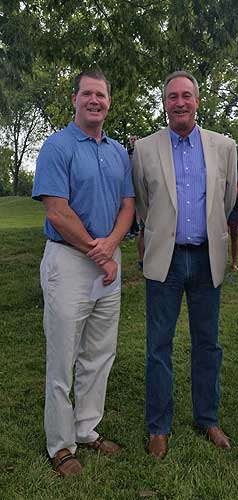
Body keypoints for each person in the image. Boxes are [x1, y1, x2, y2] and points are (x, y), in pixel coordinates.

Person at [32, 70, 135, 477]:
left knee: (99, 352)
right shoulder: (56, 147)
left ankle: (87, 429)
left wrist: (110, 247)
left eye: (102, 95)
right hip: (69, 262)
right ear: (75, 99)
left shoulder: (118, 152)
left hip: (107, 261)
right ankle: (60, 445)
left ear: (109, 102)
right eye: (88, 93)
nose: (95, 100)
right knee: (63, 356)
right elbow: (57, 210)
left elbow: (129, 204)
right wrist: (99, 250)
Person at [132, 70, 237, 459]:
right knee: (159, 346)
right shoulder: (144, 149)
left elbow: (226, 202)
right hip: (166, 262)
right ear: (165, 102)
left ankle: (207, 418)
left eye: (186, 96)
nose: (179, 102)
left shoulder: (224, 146)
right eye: (172, 96)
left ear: (197, 100)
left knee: (207, 344)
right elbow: (144, 204)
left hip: (207, 258)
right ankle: (158, 427)